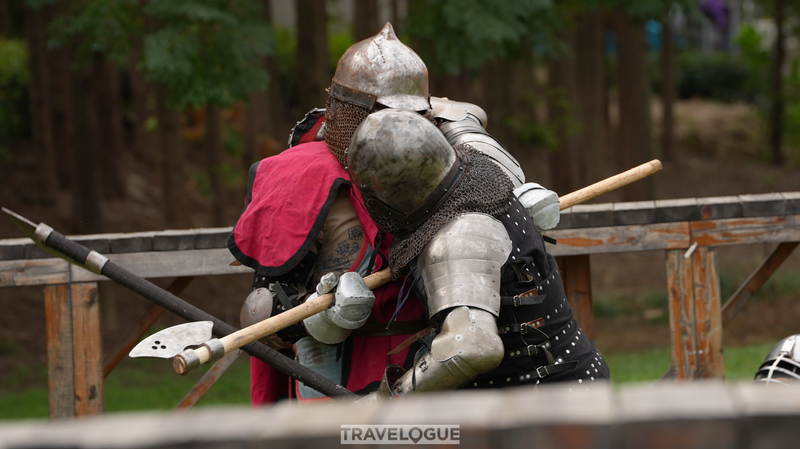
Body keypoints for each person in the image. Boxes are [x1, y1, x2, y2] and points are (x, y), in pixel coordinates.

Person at [228, 23, 562, 404]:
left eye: (412, 117)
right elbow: (262, 314)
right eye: (383, 117)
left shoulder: (446, 148)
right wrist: (322, 319)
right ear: (354, 113)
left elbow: (489, 180)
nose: (398, 129)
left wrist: (515, 192)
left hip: (442, 363)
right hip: (339, 373)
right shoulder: (299, 177)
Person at [343, 109, 610, 398]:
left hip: (546, 401)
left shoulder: (457, 239)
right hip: (563, 382)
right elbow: (464, 111)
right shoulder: (480, 169)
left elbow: (472, 347)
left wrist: (388, 399)